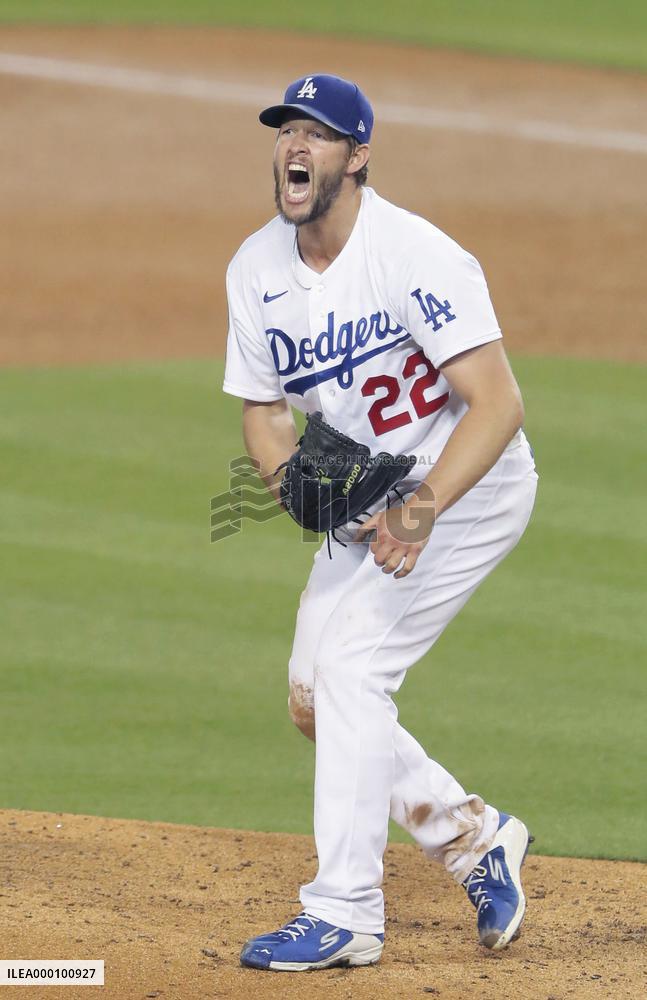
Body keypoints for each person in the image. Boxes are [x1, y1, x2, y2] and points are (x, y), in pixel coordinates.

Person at [223, 73, 538, 972]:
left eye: (318, 133)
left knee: (354, 664)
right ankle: (474, 838)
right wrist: (288, 480)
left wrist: (422, 506)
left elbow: (497, 403)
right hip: (372, 497)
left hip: (467, 487)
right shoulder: (255, 269)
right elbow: (262, 409)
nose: (296, 145)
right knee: (315, 699)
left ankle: (345, 913)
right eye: (286, 129)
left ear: (356, 157)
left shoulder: (416, 255)